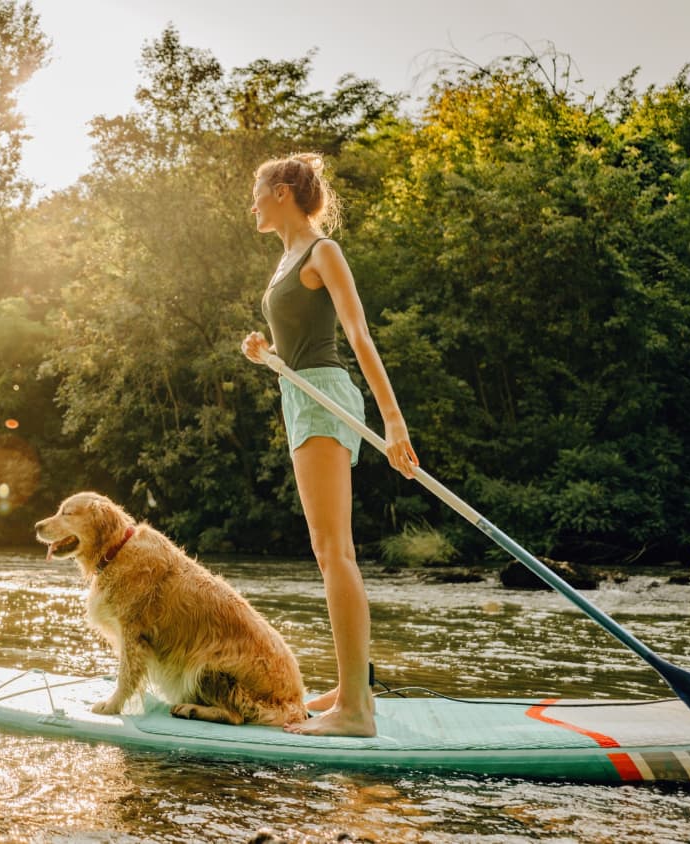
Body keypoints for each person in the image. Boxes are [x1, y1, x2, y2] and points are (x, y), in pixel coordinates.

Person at [240, 152, 419, 737]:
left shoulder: (323, 252)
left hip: (326, 398)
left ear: (285, 191)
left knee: (332, 550)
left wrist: (395, 425)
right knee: (327, 550)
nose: (254, 201)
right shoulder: (286, 259)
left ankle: (357, 712)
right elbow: (299, 350)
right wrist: (268, 357)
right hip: (301, 396)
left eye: (260, 190)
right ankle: (352, 686)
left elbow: (357, 337)